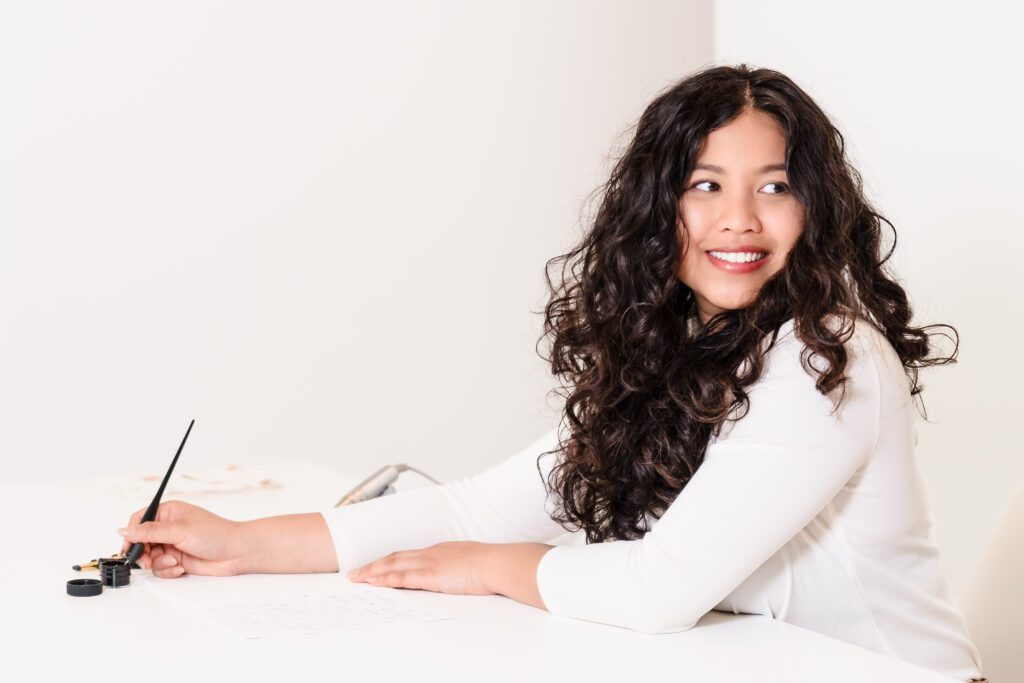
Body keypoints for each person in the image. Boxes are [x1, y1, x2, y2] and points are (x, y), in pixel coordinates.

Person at [117, 64, 987, 682]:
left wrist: (497, 566)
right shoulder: (682, 346)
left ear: (813, 203)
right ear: (659, 208)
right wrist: (241, 541)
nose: (738, 219)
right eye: (703, 184)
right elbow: (477, 505)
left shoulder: (823, 354)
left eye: (773, 187)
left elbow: (661, 587)